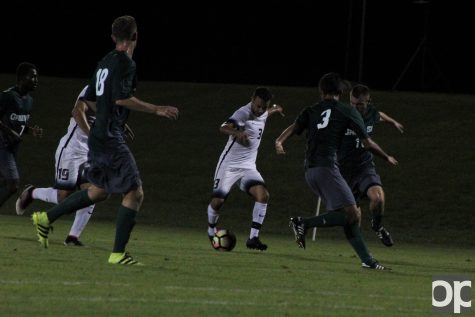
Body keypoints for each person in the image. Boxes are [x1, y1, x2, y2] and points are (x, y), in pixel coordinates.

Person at [31, 15, 179, 265]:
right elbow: (121, 98)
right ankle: (118, 254)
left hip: (99, 135)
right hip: (109, 138)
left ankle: (45, 219)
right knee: (135, 192)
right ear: (135, 36)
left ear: (113, 37)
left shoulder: (104, 62)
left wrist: (113, 118)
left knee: (99, 191)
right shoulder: (125, 64)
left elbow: (86, 101)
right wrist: (156, 109)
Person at [275, 72, 397, 270]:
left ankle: (368, 261)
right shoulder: (346, 111)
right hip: (327, 169)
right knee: (353, 215)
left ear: (321, 91)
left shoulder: (311, 110)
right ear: (341, 92)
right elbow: (367, 143)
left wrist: (279, 141)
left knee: (352, 214)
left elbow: (294, 126)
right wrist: (386, 156)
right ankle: (303, 223)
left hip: (310, 171)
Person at [16, 86, 96, 246]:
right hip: (71, 150)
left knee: (92, 192)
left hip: (89, 152)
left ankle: (72, 237)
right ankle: (32, 193)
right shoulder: (93, 88)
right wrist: (93, 136)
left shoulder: (113, 91)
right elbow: (77, 112)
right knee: (63, 198)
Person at [207, 87, 284, 251]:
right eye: (258, 106)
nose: (260, 110)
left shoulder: (262, 111)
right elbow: (223, 127)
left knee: (263, 196)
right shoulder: (243, 113)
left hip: (248, 166)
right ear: (252, 99)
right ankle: (211, 230)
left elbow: (264, 114)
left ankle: (253, 238)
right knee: (218, 201)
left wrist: (274, 109)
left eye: (264, 106)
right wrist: (237, 133)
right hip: (229, 165)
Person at [338, 84, 404, 247]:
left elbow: (379, 115)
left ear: (368, 102)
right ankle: (365, 257)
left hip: (364, 167)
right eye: (352, 103)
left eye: (359, 104)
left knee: (378, 198)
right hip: (343, 171)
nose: (355, 107)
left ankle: (377, 226)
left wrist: (393, 122)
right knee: (354, 219)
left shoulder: (371, 113)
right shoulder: (343, 115)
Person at [0, 62, 43, 208]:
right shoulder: (7, 96)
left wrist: (30, 130)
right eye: (33, 77)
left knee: (5, 184)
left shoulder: (29, 101)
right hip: (2, 146)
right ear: (22, 78)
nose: (36, 80)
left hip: (12, 149)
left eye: (37, 77)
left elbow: (18, 124)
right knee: (13, 184)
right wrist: (8, 131)